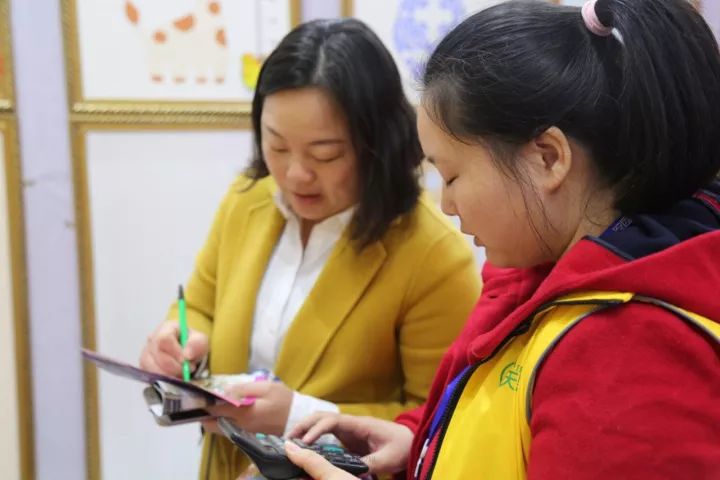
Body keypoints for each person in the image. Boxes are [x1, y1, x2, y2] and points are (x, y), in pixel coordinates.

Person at [284, 1, 720, 478]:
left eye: (452, 176)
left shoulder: (627, 354)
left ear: (548, 158)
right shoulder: (541, 275)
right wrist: (420, 440)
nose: (447, 204)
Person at [139, 18, 481, 480]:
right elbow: (199, 306)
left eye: (325, 154)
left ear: (377, 143)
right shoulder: (248, 200)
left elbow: (442, 420)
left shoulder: (432, 253)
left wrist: (297, 415)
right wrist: (182, 344)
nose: (296, 174)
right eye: (277, 146)